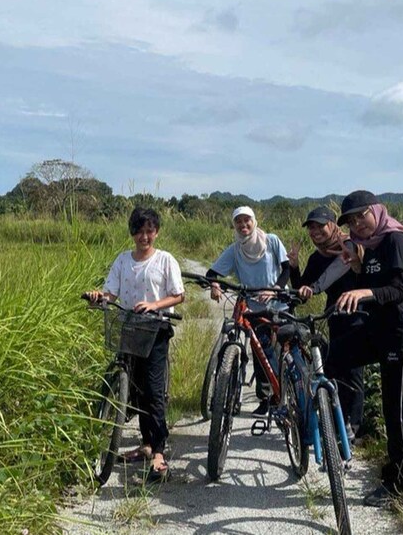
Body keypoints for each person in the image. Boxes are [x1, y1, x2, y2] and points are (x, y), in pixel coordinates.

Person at [333, 190, 403, 507]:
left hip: (402, 336)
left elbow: (399, 290)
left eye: (362, 215)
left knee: (397, 411)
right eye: (352, 221)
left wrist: (363, 292)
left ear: (376, 211)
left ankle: (400, 482)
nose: (358, 224)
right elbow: (372, 275)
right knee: (336, 357)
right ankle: (336, 426)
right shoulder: (369, 248)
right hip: (379, 333)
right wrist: (359, 267)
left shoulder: (395, 241)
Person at [85, 206, 185, 483]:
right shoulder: (122, 261)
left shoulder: (165, 260)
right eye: (139, 231)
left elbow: (178, 296)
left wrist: (154, 305)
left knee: (153, 391)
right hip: (128, 327)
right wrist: (98, 297)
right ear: (132, 233)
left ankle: (159, 453)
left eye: (149, 231)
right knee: (137, 391)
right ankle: (145, 443)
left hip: (155, 329)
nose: (144, 236)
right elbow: (110, 292)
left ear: (157, 232)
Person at [287, 206, 366, 443]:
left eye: (320, 226)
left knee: (353, 372)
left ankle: (354, 426)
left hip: (359, 313)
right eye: (311, 227)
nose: (315, 231)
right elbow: (304, 291)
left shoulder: (351, 246)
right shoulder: (317, 258)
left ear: (333, 225)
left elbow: (362, 275)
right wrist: (294, 267)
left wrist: (356, 261)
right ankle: (336, 422)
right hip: (334, 315)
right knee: (333, 370)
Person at [206, 205, 290, 418]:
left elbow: (286, 268)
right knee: (260, 352)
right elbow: (212, 273)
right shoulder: (235, 249)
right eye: (238, 222)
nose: (243, 225)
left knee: (284, 350)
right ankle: (268, 398)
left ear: (254, 221)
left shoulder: (271, 240)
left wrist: (275, 290)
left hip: (278, 304)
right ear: (234, 225)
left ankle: (289, 395)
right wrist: (214, 285)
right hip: (253, 306)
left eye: (247, 221)